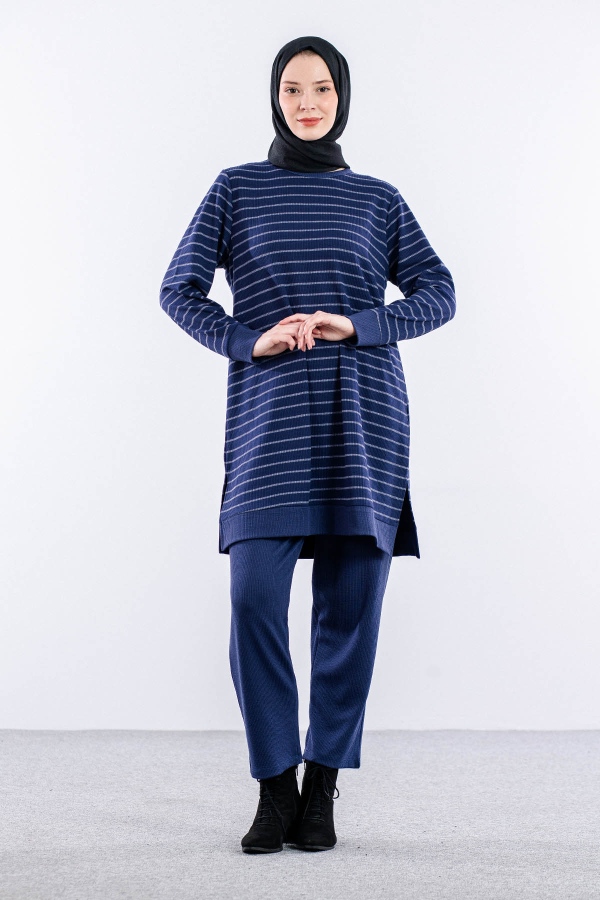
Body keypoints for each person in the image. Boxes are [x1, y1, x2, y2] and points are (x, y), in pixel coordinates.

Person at [159, 35, 456, 854]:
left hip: (365, 426)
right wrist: (245, 340)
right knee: (254, 602)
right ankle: (273, 787)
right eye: (292, 88)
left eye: (321, 87)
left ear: (342, 97)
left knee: (349, 613)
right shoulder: (237, 188)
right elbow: (179, 289)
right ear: (275, 98)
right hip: (270, 432)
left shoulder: (377, 199)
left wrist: (358, 324)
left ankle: (322, 788)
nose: (307, 102)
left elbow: (440, 292)